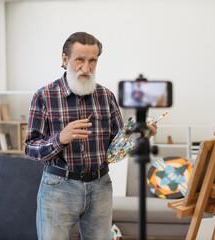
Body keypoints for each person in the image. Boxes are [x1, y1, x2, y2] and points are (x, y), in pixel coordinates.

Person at [25, 32, 157, 240]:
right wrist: (60, 139)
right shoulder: (44, 96)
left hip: (100, 186)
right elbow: (30, 149)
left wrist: (138, 137)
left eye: (92, 60)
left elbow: (115, 148)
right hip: (58, 187)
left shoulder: (106, 96)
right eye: (80, 60)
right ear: (65, 59)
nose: (86, 68)